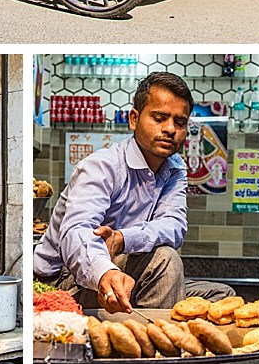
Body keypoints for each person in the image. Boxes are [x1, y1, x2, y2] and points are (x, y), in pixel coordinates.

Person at [34, 72, 230, 310]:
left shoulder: (175, 168)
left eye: (180, 123)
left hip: (125, 272)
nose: (170, 129)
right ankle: (150, 341)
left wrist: (123, 238)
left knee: (221, 296)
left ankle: (139, 321)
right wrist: (105, 272)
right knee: (165, 260)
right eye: (159, 118)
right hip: (65, 280)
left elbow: (174, 226)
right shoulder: (102, 166)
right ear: (134, 119)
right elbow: (77, 233)